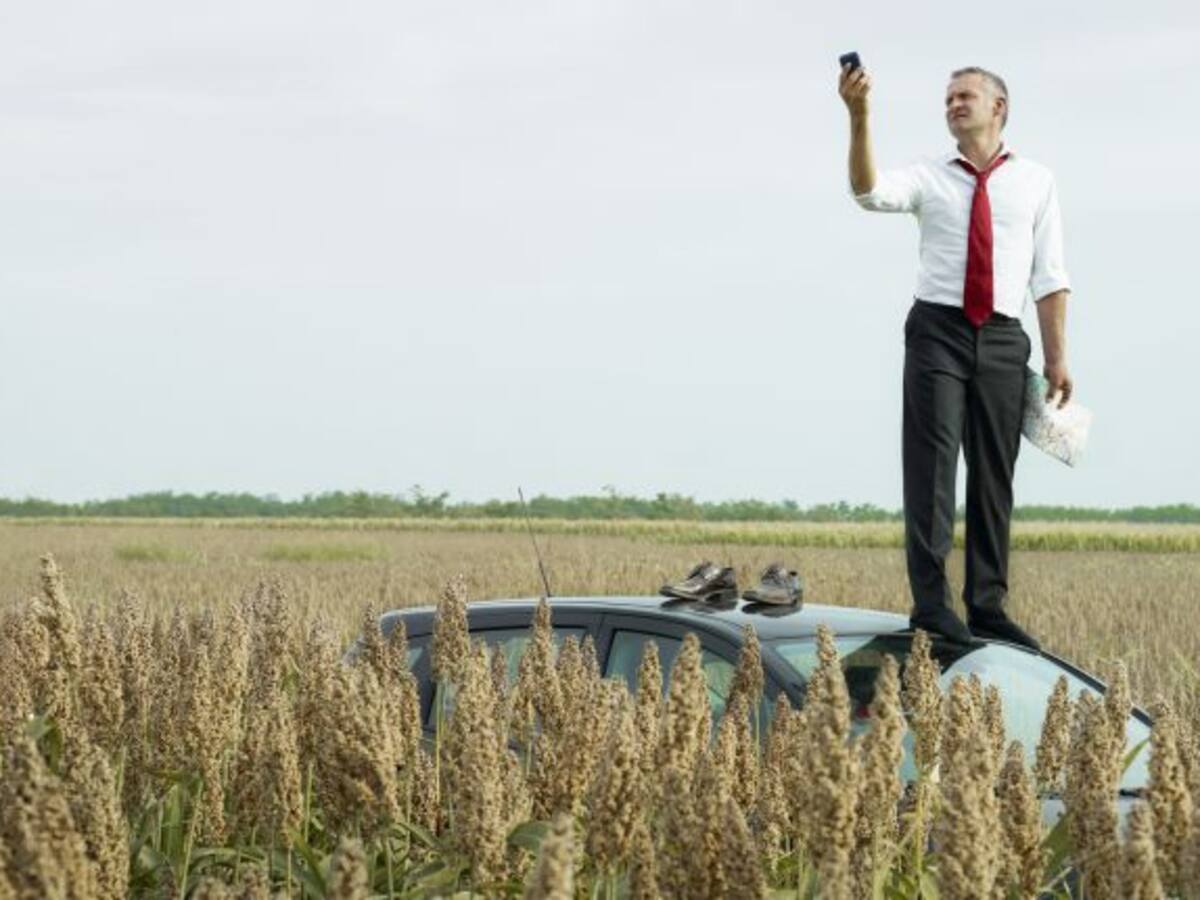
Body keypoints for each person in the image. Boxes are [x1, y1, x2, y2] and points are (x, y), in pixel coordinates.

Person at [838, 63, 1073, 649]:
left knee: (994, 476)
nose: (952, 105)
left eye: (964, 96)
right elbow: (868, 192)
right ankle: (931, 606)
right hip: (937, 329)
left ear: (999, 107)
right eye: (947, 99)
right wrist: (859, 116)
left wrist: (1057, 358)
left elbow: (1050, 277)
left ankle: (988, 607)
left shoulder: (1037, 180)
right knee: (933, 469)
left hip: (1002, 336)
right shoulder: (928, 174)